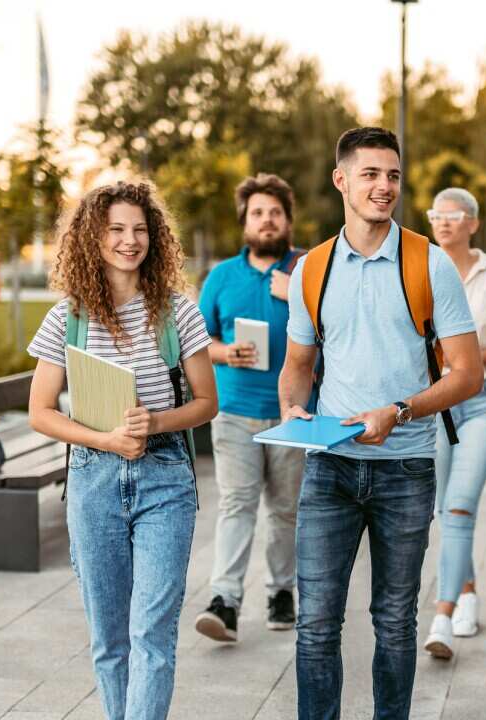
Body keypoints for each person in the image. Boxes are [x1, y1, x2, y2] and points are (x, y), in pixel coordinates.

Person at [277, 127, 483, 720]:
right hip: (330, 468)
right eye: (370, 174)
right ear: (341, 180)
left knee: (395, 621)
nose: (384, 186)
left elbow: (466, 374)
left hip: (406, 467)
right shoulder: (312, 270)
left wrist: (399, 412)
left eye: (393, 175)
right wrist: (293, 411)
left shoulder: (430, 263)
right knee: (315, 621)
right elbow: (297, 368)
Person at [26, 181, 217, 720]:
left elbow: (207, 403)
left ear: (154, 237)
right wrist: (104, 439)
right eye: (115, 229)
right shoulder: (68, 318)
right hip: (93, 480)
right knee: (110, 639)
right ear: (92, 236)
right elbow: (41, 411)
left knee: (152, 634)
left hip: (164, 477)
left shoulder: (178, 313)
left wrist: (155, 420)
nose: (129, 240)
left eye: (139, 229)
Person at [194, 173, 306, 643]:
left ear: (286, 221)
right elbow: (196, 343)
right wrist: (225, 353)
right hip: (235, 411)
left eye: (275, 213)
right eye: (258, 212)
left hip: (292, 414)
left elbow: (334, 329)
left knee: (284, 511)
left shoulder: (306, 272)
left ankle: (282, 591)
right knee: (238, 504)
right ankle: (225, 601)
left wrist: (296, 293)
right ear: (245, 220)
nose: (267, 221)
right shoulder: (221, 276)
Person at [421, 187, 486, 660]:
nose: (443, 222)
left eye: (454, 215)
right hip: (437, 401)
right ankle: (466, 592)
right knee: (444, 506)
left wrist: (467, 360)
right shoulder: (422, 267)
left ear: (473, 223)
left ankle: (440, 615)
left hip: (484, 400)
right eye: (436, 215)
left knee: (460, 505)